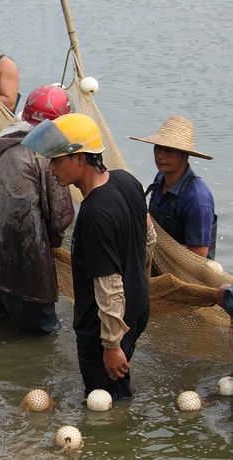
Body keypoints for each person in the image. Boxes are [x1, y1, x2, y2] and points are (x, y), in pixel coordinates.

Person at [22, 113, 156, 399]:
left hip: (106, 326)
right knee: (118, 384)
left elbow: (108, 285)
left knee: (104, 399)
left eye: (57, 159)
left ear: (80, 159)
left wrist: (110, 345)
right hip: (136, 309)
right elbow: (149, 237)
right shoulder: (127, 181)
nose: (51, 167)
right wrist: (138, 282)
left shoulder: (94, 213)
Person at [0, 85, 75, 334]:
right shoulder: (48, 153)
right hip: (21, 265)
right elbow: (61, 216)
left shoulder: (3, 141)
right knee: (44, 335)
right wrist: (54, 244)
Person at [130, 116, 216, 259]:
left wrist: (153, 247)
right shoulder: (160, 178)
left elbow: (199, 254)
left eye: (169, 150)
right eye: (158, 147)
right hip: (156, 261)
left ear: (185, 154)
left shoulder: (197, 198)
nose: (160, 155)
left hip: (187, 274)